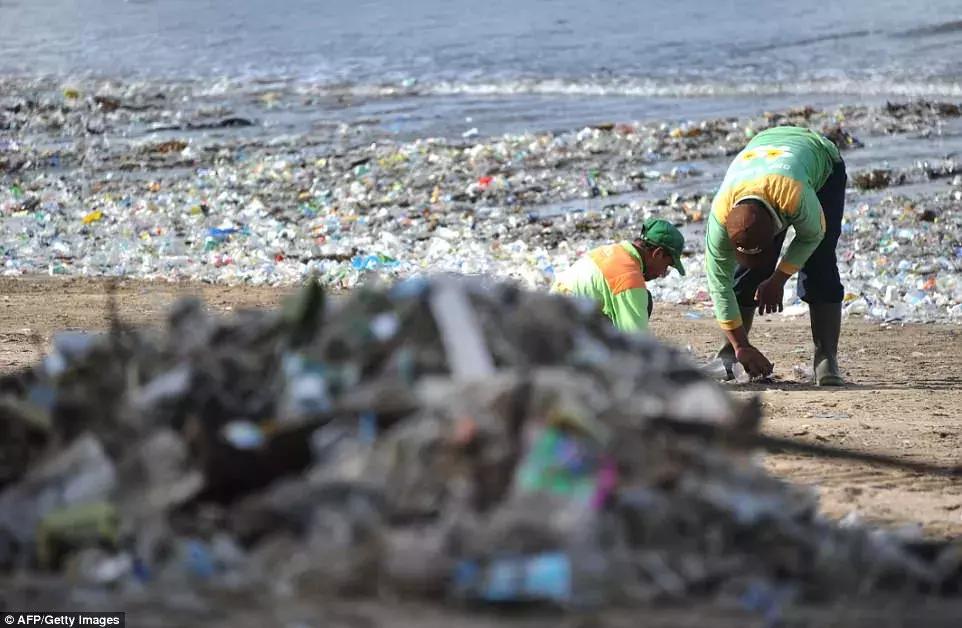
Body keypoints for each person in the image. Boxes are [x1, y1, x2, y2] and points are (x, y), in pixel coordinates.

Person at [705, 125, 846, 385]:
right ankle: (730, 353)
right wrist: (741, 345)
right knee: (746, 274)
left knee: (820, 263)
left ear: (776, 229)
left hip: (819, 160)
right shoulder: (721, 215)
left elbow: (812, 236)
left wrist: (778, 279)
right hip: (763, 149)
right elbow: (719, 286)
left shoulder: (794, 196)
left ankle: (826, 358)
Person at [551, 218, 686, 333]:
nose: (662, 273)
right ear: (658, 254)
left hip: (549, 320)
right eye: (666, 265)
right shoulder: (629, 277)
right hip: (562, 335)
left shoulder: (612, 251)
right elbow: (635, 340)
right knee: (644, 302)